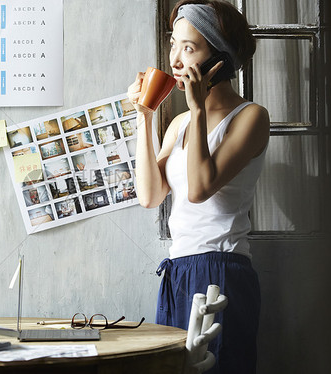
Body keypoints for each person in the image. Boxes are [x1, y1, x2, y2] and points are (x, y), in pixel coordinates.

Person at [127, 1, 269, 373]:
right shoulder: (179, 125)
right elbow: (149, 195)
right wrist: (145, 116)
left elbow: (199, 188)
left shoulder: (251, 117)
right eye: (174, 44)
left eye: (189, 48)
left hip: (222, 269)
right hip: (178, 268)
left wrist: (199, 110)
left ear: (219, 59)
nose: (175, 59)